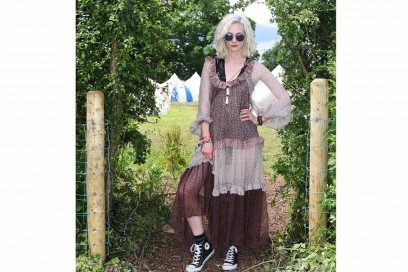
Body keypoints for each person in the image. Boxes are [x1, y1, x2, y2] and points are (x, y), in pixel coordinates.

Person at [170, 13, 291, 272]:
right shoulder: (211, 66)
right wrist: (206, 139)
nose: (234, 40)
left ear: (246, 38)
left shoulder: (254, 68)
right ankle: (202, 244)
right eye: (229, 35)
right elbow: (204, 106)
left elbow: (283, 97)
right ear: (222, 36)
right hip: (213, 140)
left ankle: (233, 248)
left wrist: (260, 117)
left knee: (235, 196)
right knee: (187, 189)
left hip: (244, 142)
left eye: (239, 35)